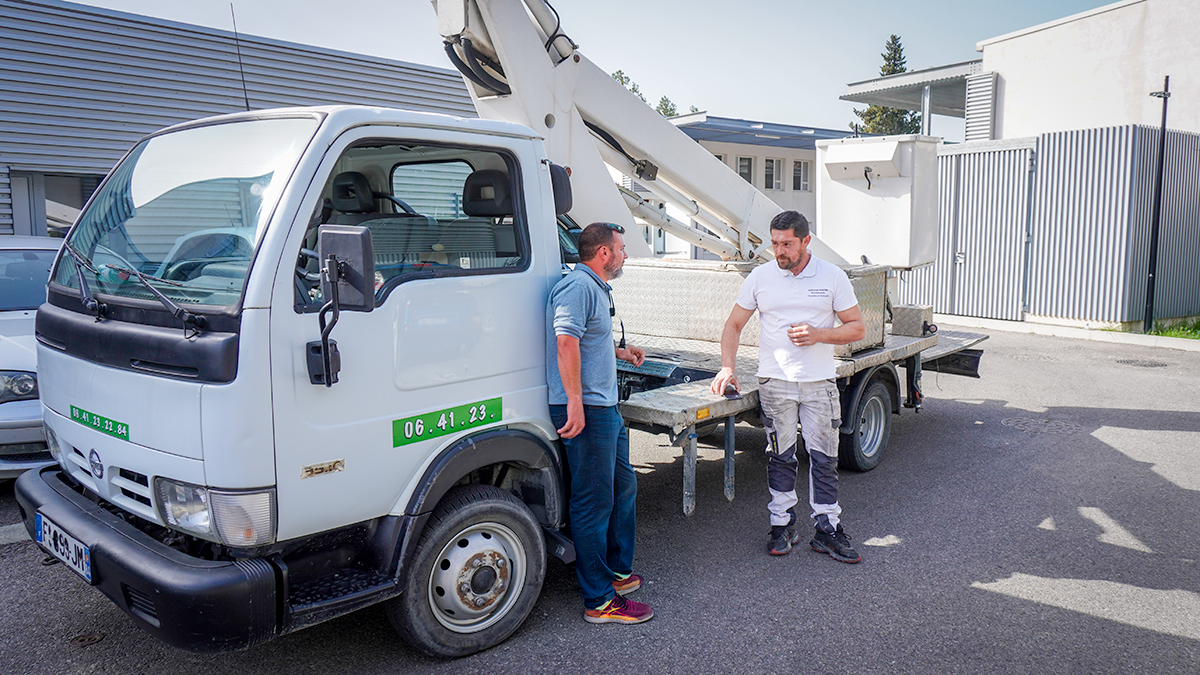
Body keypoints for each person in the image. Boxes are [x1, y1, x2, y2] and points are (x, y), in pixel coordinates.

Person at [710, 211, 866, 563]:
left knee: (824, 458)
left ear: (805, 241)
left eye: (787, 244)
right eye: (775, 243)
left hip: (818, 383)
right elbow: (733, 325)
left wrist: (819, 334)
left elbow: (857, 327)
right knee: (780, 456)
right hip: (775, 384)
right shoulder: (761, 277)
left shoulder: (832, 276)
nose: (778, 251)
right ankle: (782, 524)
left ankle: (827, 529)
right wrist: (727, 367)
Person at [546, 222, 654, 624]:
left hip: (604, 407)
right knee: (593, 502)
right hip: (587, 409)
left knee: (623, 487)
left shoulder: (594, 287)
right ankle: (599, 599)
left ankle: (617, 573)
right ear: (604, 254)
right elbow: (565, 341)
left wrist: (621, 353)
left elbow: (588, 339)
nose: (625, 255)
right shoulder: (577, 287)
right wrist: (574, 402)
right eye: (622, 249)